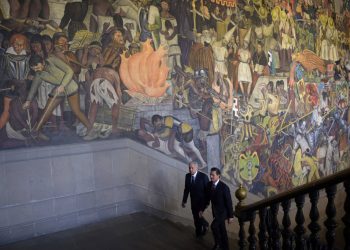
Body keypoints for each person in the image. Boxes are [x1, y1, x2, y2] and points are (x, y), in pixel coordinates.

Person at [22, 54, 94, 140]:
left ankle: (91, 130)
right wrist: (28, 100)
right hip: (58, 90)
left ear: (43, 62)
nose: (37, 70)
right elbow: (34, 86)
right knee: (47, 110)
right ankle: (36, 132)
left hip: (70, 87)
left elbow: (69, 71)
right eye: (34, 69)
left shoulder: (52, 60)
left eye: (37, 67)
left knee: (76, 111)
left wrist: (63, 85)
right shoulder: (39, 74)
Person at [200, 167, 234, 250]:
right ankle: (226, 247)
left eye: (213, 175)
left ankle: (217, 245)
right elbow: (206, 199)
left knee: (214, 226)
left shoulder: (224, 187)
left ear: (219, 176)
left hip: (223, 212)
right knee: (222, 229)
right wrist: (202, 209)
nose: (211, 176)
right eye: (210, 175)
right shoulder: (209, 185)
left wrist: (231, 216)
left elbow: (229, 202)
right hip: (215, 212)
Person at [182, 161, 209, 238]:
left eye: (192, 168)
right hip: (193, 201)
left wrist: (207, 203)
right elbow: (186, 189)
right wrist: (184, 200)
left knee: (198, 215)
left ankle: (203, 227)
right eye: (189, 168)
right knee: (195, 216)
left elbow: (208, 192)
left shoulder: (203, 177)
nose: (190, 169)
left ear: (197, 168)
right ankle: (199, 232)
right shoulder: (187, 176)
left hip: (202, 201)